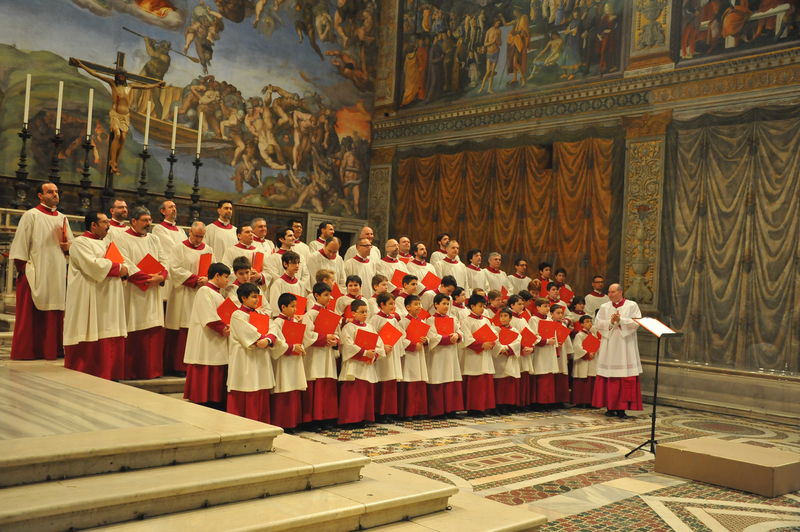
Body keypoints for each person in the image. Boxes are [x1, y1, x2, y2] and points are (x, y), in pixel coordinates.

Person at [9, 182, 73, 360]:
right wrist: (23, 268)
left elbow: (72, 247)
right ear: (40, 195)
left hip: (57, 270)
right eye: (50, 192)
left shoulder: (62, 218)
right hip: (37, 269)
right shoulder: (32, 216)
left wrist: (68, 247)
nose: (55, 195)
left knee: (55, 311)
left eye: (56, 192)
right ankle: (28, 351)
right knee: (32, 313)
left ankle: (52, 350)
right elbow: (21, 242)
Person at [63, 212, 127, 379]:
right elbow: (93, 265)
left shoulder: (107, 243)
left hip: (109, 294)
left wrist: (124, 267)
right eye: (105, 222)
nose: (109, 225)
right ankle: (87, 368)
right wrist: (119, 268)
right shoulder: (79, 243)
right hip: (88, 294)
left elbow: (123, 261)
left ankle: (110, 371)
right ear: (93, 225)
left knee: (109, 327)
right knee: (89, 326)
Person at [113, 206, 168, 379]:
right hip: (133, 290)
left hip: (153, 290)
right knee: (134, 325)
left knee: (153, 326)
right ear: (133, 221)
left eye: (149, 220)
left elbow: (164, 259)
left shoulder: (154, 239)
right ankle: (132, 371)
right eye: (144, 220)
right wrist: (146, 277)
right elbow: (124, 261)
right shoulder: (121, 238)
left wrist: (161, 276)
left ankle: (152, 370)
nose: (148, 223)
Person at [227, 282, 281, 423]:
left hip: (260, 357)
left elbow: (273, 327)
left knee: (260, 389)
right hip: (245, 359)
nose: (257, 300)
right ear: (243, 298)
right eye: (253, 297)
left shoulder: (261, 313)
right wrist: (261, 340)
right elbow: (249, 333)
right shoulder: (237, 315)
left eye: (257, 297)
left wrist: (268, 340)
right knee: (247, 388)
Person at [163, 221, 212, 375]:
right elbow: (174, 268)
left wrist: (207, 278)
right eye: (196, 236)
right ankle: (177, 366)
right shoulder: (179, 248)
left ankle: (191, 366)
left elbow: (212, 268)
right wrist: (194, 279)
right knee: (181, 328)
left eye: (201, 237)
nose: (198, 239)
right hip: (183, 294)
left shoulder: (208, 250)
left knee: (195, 328)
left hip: (200, 294)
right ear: (190, 232)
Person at [183, 262, 231, 407]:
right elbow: (208, 316)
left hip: (215, 337)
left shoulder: (216, 292)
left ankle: (213, 399)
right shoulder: (205, 291)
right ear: (217, 276)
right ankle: (203, 397)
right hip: (206, 337)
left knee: (216, 364)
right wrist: (223, 328)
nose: (228, 281)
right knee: (206, 365)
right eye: (226, 277)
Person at [592, 284, 643, 418]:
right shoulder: (604, 307)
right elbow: (597, 324)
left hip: (625, 346)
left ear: (620, 292)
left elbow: (637, 322)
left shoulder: (632, 305)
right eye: (609, 292)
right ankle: (609, 407)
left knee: (625, 377)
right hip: (609, 345)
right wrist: (610, 322)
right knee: (608, 376)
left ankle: (621, 409)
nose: (610, 294)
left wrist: (621, 320)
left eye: (613, 292)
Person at [338, 299, 385, 425]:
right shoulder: (348, 327)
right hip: (354, 364)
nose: (365, 314)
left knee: (365, 392)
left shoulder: (370, 327)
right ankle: (350, 419)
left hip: (366, 364)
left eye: (366, 312)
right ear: (353, 313)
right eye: (362, 312)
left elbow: (379, 343)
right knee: (353, 394)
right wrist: (365, 352)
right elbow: (347, 345)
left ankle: (363, 418)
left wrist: (374, 354)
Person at [301, 283, 341, 425]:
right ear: (316, 296)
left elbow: (336, 332)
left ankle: (326, 418)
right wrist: (324, 338)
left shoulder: (331, 314)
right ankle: (313, 419)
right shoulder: (310, 314)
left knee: (327, 383)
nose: (329, 298)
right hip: (315, 354)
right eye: (325, 295)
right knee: (316, 382)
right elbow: (306, 335)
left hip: (327, 353)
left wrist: (334, 339)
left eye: (330, 295)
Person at [270, 293, 311, 430]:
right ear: (283, 307)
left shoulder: (294, 321)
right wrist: (292, 347)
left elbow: (300, 339)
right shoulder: (277, 323)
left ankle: (293, 422)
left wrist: (300, 347)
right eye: (292, 306)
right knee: (284, 389)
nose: (295, 309)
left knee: (294, 389)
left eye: (296, 306)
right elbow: (277, 342)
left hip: (295, 359)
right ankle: (281, 423)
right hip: (283, 361)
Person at [425, 293, 464, 417]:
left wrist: (457, 335)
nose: (446, 306)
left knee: (451, 379)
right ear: (436, 304)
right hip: (438, 354)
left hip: (451, 354)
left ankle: (451, 409)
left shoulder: (453, 318)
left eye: (448, 304)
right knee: (438, 378)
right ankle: (438, 411)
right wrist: (448, 338)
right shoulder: (430, 320)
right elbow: (432, 336)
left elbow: (459, 330)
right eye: (443, 303)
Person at [460, 294, 498, 414]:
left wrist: (492, 342)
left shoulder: (486, 320)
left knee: (486, 381)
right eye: (480, 306)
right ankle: (474, 408)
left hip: (485, 355)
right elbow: (467, 338)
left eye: (484, 306)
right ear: (472, 306)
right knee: (476, 383)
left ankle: (485, 407)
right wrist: (482, 345)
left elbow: (495, 335)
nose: (483, 309)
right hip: (474, 356)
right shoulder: (466, 321)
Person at [369, 293, 404, 421]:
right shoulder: (375, 319)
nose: (393, 306)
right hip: (382, 355)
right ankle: (380, 412)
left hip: (392, 352)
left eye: (394, 303)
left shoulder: (394, 319)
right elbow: (372, 336)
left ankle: (389, 412)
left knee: (390, 382)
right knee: (382, 381)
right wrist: (382, 348)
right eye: (390, 304)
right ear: (381, 305)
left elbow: (398, 336)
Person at [398, 295, 429, 418]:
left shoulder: (422, 321)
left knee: (419, 382)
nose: (419, 307)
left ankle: (419, 411)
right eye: (416, 304)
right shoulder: (403, 322)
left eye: (420, 304)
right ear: (407, 307)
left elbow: (427, 337)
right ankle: (408, 412)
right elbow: (401, 339)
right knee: (409, 382)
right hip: (409, 356)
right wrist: (412, 345)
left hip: (419, 354)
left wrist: (426, 340)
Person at [529, 297, 559, 406]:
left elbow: (554, 335)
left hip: (549, 352)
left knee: (548, 376)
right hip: (540, 352)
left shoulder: (550, 319)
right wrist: (546, 341)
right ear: (537, 307)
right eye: (545, 306)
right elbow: (533, 336)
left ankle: (548, 401)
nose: (547, 308)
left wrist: (554, 342)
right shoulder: (534, 319)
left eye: (548, 306)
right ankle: (538, 402)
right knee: (541, 376)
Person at [493, 307, 522, 413]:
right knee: (499, 383)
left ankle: (509, 405)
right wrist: (501, 348)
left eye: (505, 316)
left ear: (510, 318)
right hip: (499, 359)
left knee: (509, 383)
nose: (503, 318)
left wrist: (507, 348)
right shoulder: (496, 329)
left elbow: (518, 342)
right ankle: (498, 405)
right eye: (501, 316)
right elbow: (494, 341)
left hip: (509, 358)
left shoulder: (515, 331)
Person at [571, 315, 597, 407]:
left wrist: (594, 352)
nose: (589, 323)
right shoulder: (579, 335)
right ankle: (580, 401)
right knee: (582, 381)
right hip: (582, 361)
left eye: (590, 321)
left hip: (591, 361)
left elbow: (596, 345)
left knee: (590, 381)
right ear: (581, 324)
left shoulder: (593, 335)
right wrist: (586, 353)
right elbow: (577, 348)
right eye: (587, 321)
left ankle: (590, 401)